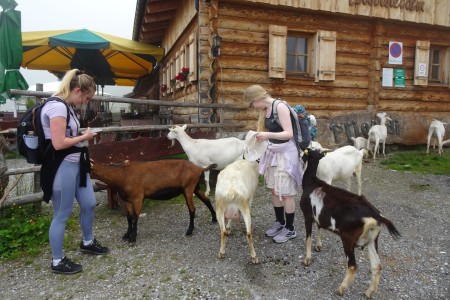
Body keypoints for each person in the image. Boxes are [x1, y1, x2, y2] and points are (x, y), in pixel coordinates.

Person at [40, 69, 109, 275]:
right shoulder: (57, 107)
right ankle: (57, 260)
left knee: (88, 203)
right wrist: (84, 136)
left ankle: (87, 242)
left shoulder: (68, 108)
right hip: (62, 167)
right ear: (78, 90)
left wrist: (81, 136)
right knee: (62, 214)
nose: (86, 102)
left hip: (77, 164)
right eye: (87, 98)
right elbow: (59, 143)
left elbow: (67, 134)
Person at [244, 85, 303, 243]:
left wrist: (267, 135)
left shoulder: (280, 107)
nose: (253, 108)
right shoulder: (267, 110)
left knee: (286, 193)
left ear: (256, 99)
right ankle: (280, 223)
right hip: (273, 152)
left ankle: (290, 229)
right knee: (275, 191)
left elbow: (288, 134)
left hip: (286, 155)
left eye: (252, 104)